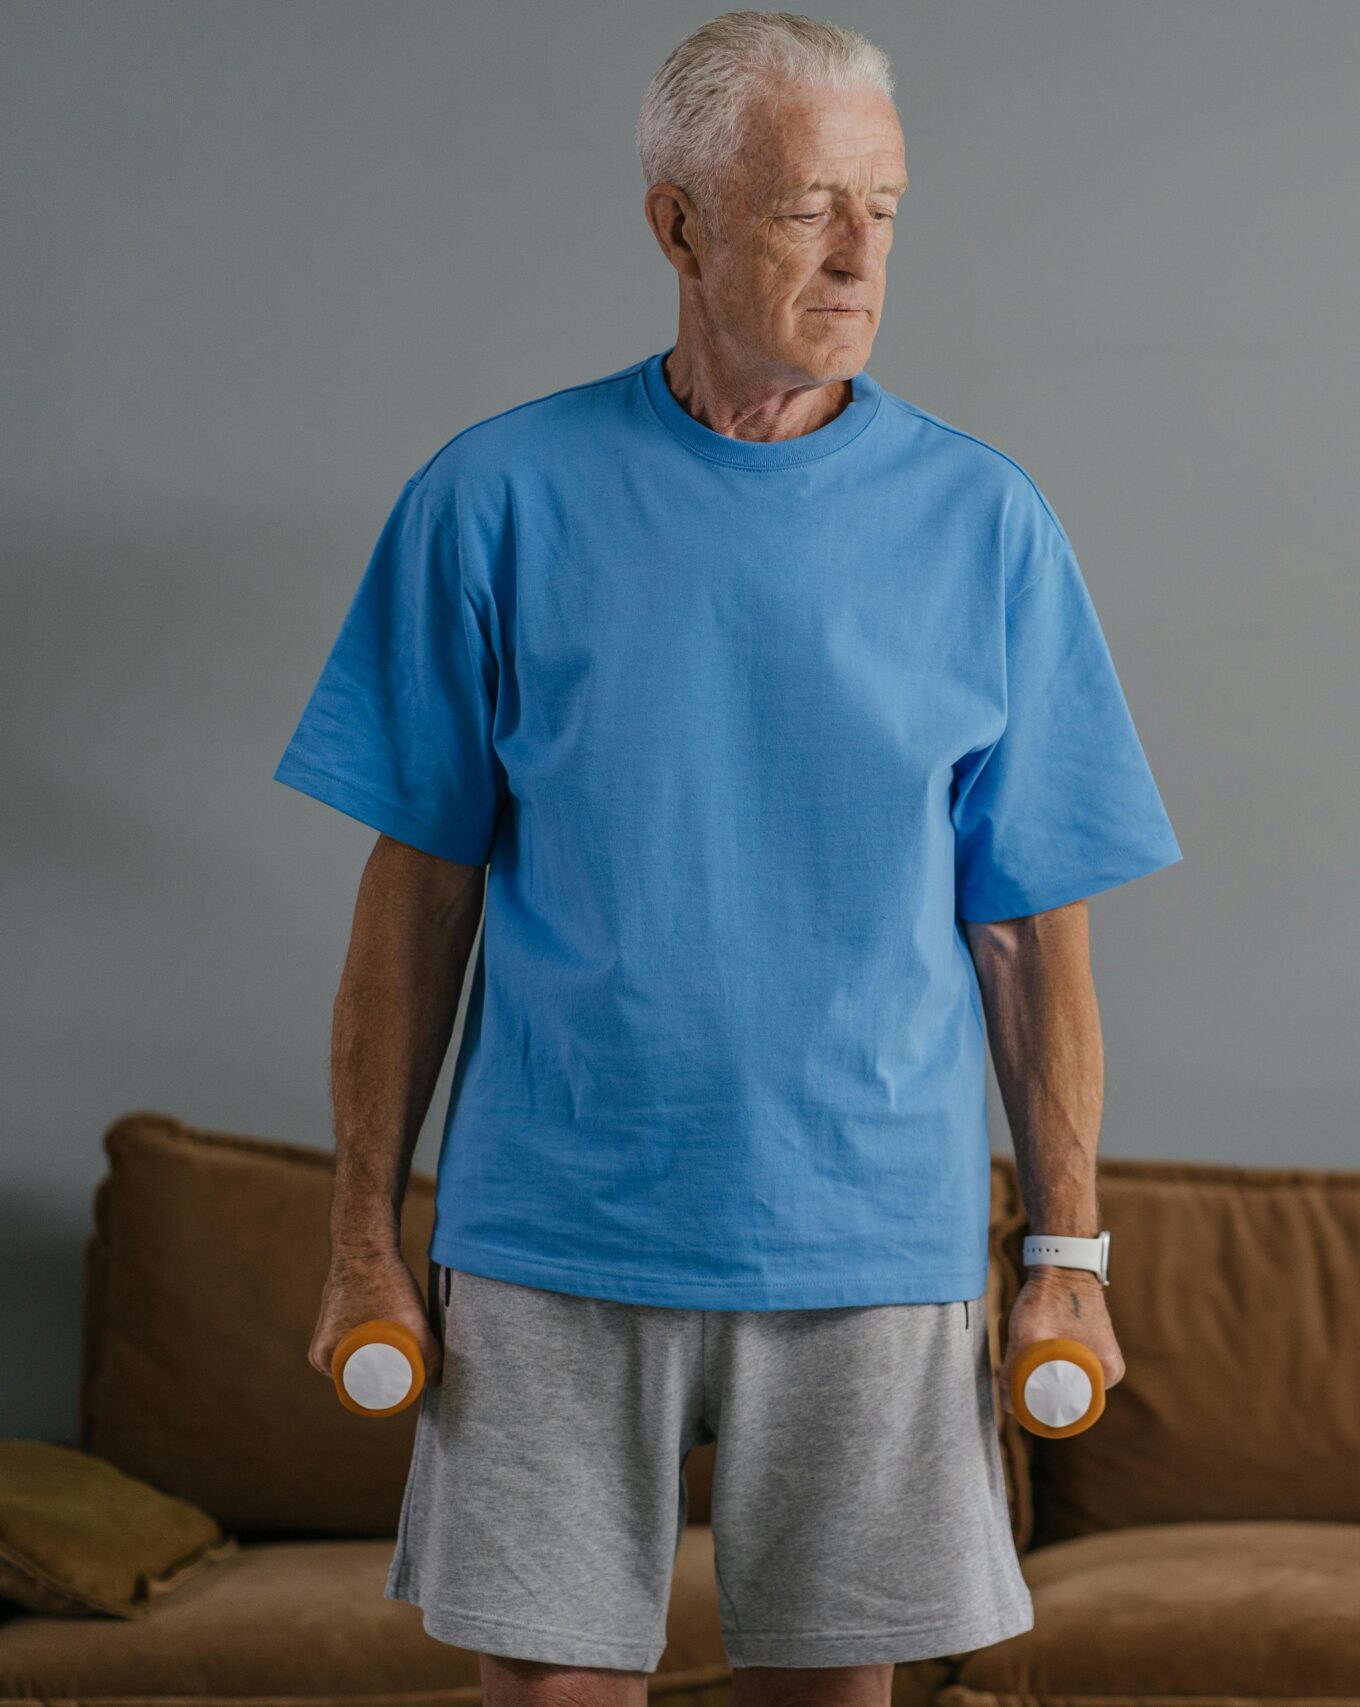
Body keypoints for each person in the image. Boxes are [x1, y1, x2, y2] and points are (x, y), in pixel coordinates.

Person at [277, 14, 1180, 1707]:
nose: (859, 254)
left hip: (869, 1238)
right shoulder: (494, 501)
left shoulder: (987, 528)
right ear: (677, 222)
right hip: (553, 1233)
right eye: (807, 206)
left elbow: (1032, 938)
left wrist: (1069, 1261)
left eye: (887, 209)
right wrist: (358, 1239)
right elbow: (417, 899)